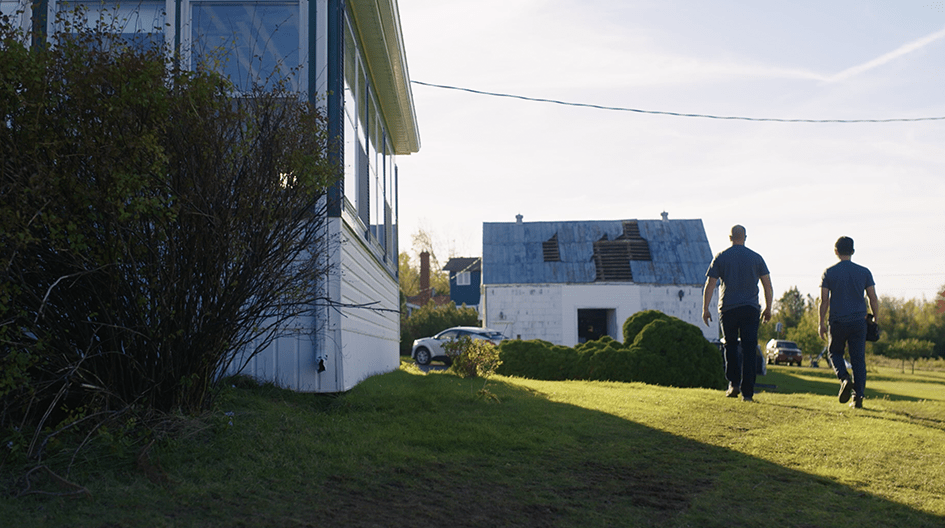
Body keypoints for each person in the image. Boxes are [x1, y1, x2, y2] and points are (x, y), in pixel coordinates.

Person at [702, 225, 773, 402]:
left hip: (728, 308)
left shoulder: (721, 257)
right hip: (750, 308)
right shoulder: (756, 258)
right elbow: (767, 285)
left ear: (730, 237)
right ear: (745, 237)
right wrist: (768, 308)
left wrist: (705, 308)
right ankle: (747, 393)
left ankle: (733, 383)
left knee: (730, 345)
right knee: (749, 348)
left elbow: (710, 284)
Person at [818, 236, 879, 409]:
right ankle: (858, 398)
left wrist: (821, 322)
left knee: (834, 353)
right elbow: (872, 297)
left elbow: (824, 301)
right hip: (859, 322)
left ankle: (844, 378)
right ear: (852, 251)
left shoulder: (829, 272)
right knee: (858, 359)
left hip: (837, 321)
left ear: (836, 251)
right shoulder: (864, 272)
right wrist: (876, 317)